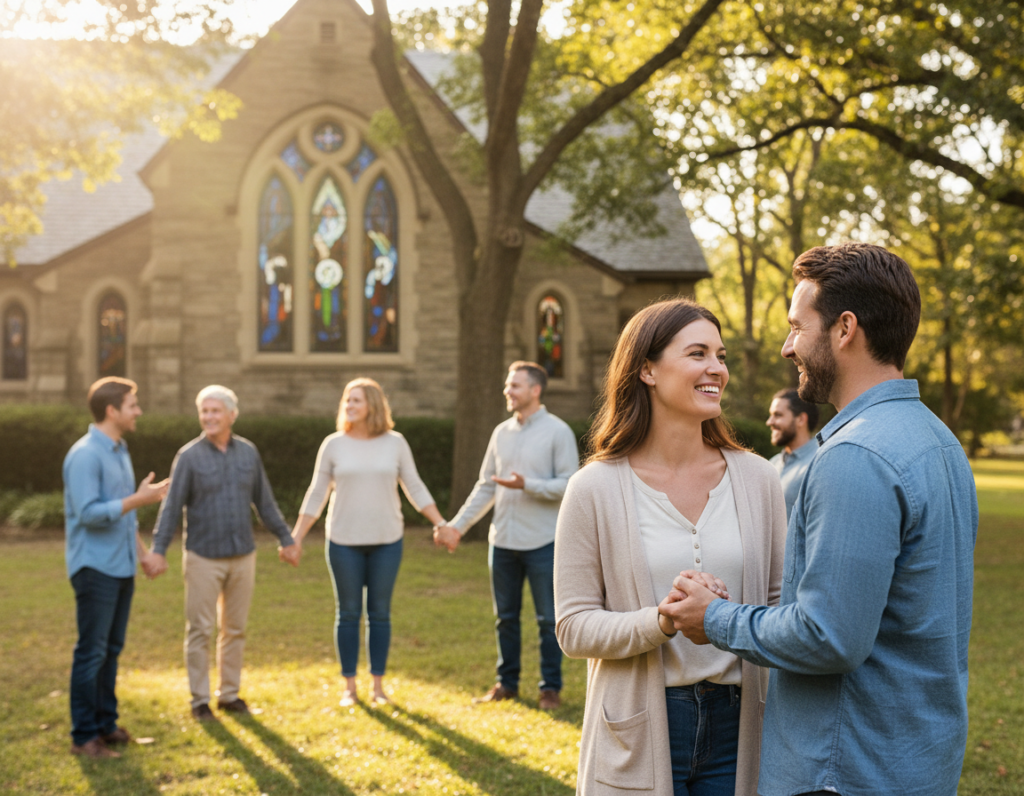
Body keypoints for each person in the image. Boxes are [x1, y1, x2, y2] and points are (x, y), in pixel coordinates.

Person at [664, 243, 978, 796]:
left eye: (796, 326)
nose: (789, 347)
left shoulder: (855, 458)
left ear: (844, 329)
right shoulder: (939, 441)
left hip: (844, 769)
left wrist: (714, 617)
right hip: (916, 762)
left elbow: (828, 637)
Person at [554, 298, 786, 796]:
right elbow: (572, 627)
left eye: (720, 356)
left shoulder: (760, 479)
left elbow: (782, 607)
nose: (716, 369)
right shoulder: (593, 488)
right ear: (647, 370)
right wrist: (660, 621)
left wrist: (726, 616)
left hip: (742, 726)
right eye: (698, 353)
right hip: (638, 724)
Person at [289, 377, 446, 707]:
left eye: (356, 400)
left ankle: (377, 686)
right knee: (347, 613)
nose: (349, 406)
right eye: (347, 400)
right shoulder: (333, 444)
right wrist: (296, 537)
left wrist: (440, 523)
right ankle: (349, 687)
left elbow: (414, 487)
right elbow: (317, 492)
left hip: (386, 540)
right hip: (343, 541)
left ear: (373, 405)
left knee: (379, 614)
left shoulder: (395, 443)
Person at [148, 385, 299, 721]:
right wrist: (158, 550)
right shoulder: (188, 457)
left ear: (232, 414)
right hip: (202, 556)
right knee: (200, 629)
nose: (209, 417)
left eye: (216, 411)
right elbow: (171, 508)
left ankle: (229, 694)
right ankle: (199, 699)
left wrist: (286, 539)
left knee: (235, 629)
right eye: (205, 411)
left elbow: (265, 501)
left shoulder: (248, 453)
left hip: (243, 555)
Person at [434, 361, 579, 710]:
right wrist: (457, 526)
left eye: (515, 385)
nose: (507, 391)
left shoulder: (558, 432)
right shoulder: (501, 433)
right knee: (506, 618)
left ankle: (550, 690)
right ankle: (507, 684)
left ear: (535, 390)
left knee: (548, 620)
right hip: (502, 543)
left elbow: (570, 485)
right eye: (507, 385)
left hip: (543, 543)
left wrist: (526, 485)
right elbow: (486, 487)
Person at [63, 377, 169, 758]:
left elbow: (124, 515)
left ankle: (106, 725)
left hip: (121, 566)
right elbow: (88, 513)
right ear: (112, 410)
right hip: (94, 568)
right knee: (91, 652)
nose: (138, 411)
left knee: (111, 649)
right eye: (132, 405)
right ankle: (83, 736)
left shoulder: (119, 449)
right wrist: (139, 499)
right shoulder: (85, 454)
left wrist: (141, 554)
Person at [765, 388, 819, 518]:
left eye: (778, 415)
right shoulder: (772, 464)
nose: (769, 422)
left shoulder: (819, 462)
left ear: (800, 419)